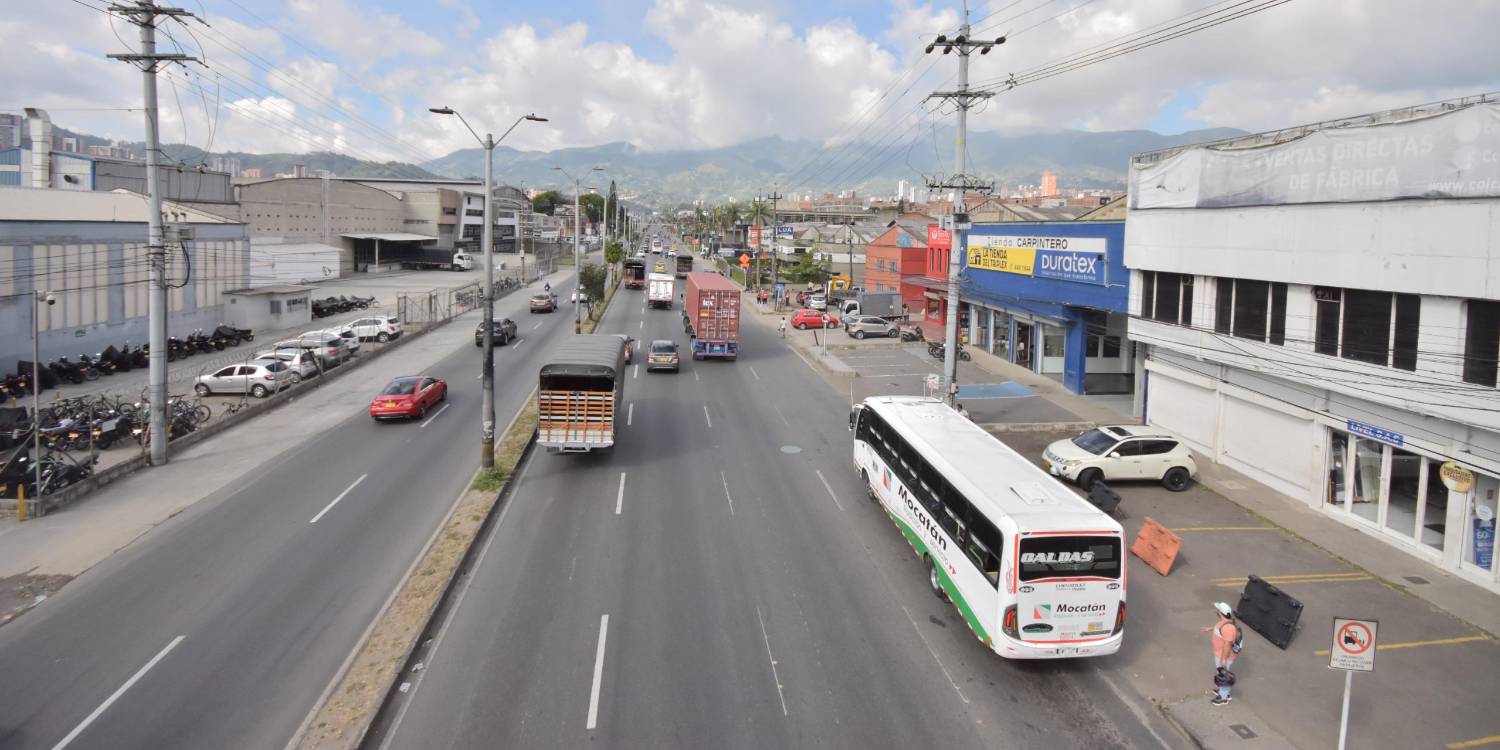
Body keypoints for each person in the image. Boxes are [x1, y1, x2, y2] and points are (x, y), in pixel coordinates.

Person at [1203, 602, 1239, 705]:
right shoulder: (1225, 622)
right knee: (1222, 674)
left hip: (1223, 656)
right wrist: (1211, 629)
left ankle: (1223, 697)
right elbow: (1220, 630)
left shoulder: (1228, 628)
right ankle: (1223, 692)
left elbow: (1227, 645)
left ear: (1221, 612)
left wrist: (1223, 659)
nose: (1217, 611)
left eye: (1218, 610)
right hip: (1220, 654)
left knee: (1224, 676)